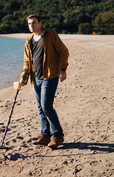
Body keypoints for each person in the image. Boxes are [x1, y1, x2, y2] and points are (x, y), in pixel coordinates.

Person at [20, 14, 69, 149]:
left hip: (50, 76)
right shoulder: (29, 40)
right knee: (41, 108)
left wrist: (63, 69)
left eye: (34, 23)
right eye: (29, 24)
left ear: (40, 23)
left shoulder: (51, 35)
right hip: (36, 78)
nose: (31, 26)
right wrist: (24, 75)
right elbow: (27, 60)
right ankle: (45, 134)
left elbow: (64, 52)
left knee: (46, 106)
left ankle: (58, 135)